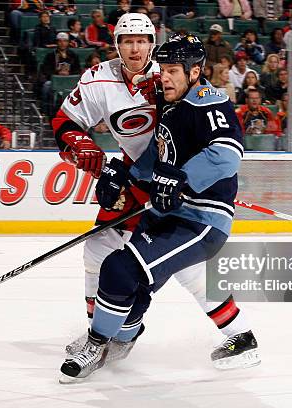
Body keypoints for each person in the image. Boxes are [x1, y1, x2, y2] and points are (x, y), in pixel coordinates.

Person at [51, 14, 256, 371]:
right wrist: (119, 174)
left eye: (143, 41)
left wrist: (182, 179)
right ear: (116, 44)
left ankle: (104, 340)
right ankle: (118, 335)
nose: (136, 49)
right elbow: (152, 152)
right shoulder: (159, 100)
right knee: (123, 263)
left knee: (130, 266)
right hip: (158, 189)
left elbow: (225, 152)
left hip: (191, 200)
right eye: (128, 41)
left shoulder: (198, 97)